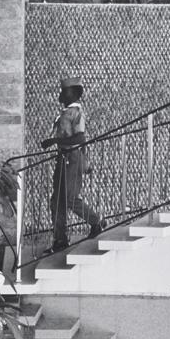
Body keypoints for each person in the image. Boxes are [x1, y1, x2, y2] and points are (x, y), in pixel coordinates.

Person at [41, 77, 105, 252]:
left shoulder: (76, 113)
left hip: (73, 158)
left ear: (75, 94)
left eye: (65, 91)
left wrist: (54, 140)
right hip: (63, 158)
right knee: (57, 201)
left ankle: (97, 221)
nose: (61, 94)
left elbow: (80, 138)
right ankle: (60, 239)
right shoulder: (66, 112)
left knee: (70, 198)